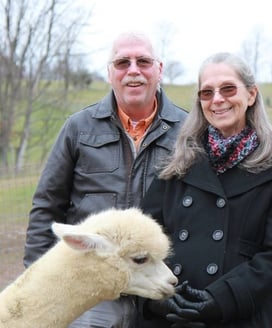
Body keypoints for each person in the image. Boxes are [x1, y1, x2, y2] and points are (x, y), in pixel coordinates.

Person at [23, 31, 188, 328]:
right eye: (123, 62)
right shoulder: (78, 128)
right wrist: (38, 280)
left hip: (160, 287)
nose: (133, 70)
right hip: (92, 294)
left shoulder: (188, 131)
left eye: (143, 61)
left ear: (159, 69)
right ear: (110, 73)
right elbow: (47, 205)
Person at [136, 52, 272, 327]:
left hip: (237, 315)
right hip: (169, 317)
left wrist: (219, 300)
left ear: (251, 95)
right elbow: (139, 241)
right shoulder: (177, 162)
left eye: (228, 88)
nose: (217, 99)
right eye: (206, 93)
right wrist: (157, 299)